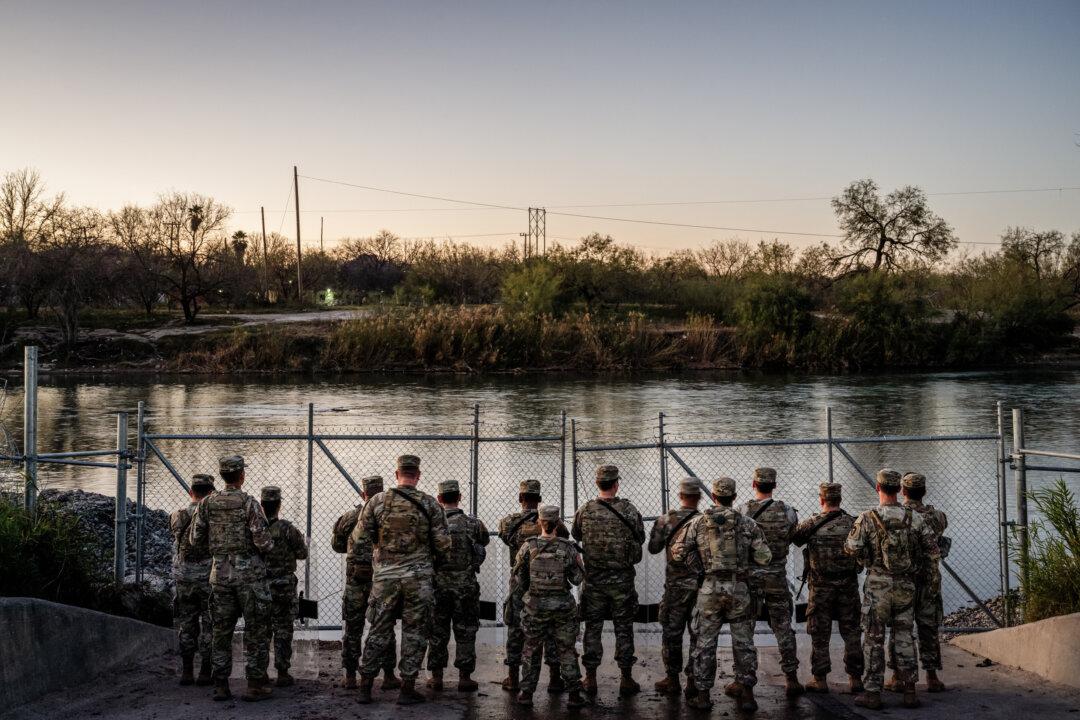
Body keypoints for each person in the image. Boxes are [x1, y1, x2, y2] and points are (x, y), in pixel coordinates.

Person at [353, 454, 452, 705]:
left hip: (385, 577)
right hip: (418, 579)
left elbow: (359, 539)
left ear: (397, 474)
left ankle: (365, 686)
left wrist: (369, 562)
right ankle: (407, 688)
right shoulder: (430, 505)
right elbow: (443, 545)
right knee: (415, 632)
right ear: (417, 475)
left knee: (378, 630)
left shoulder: (377, 501)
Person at [845, 468, 940, 711]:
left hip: (878, 585)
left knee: (874, 639)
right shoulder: (914, 518)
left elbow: (851, 548)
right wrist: (929, 578)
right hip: (906, 585)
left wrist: (868, 558)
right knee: (905, 636)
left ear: (878, 488)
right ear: (899, 489)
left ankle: (873, 693)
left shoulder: (867, 517)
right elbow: (932, 550)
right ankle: (909, 690)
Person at [674, 477, 771, 712]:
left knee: (705, 643)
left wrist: (698, 567)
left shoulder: (698, 523)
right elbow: (765, 557)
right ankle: (747, 695)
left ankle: (704, 695)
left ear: (714, 497)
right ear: (734, 497)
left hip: (709, 588)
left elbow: (677, 553)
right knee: (744, 643)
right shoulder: (747, 523)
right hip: (739, 589)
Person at [188, 455, 274, 702]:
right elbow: (264, 542)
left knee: (221, 630)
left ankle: (221, 685)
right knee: (256, 630)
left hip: (219, 575)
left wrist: (218, 551)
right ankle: (254, 684)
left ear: (223, 476)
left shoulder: (207, 504)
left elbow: (195, 539)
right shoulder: (249, 504)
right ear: (241, 476)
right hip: (249, 577)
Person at [572, 464, 645, 696]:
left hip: (594, 580)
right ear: (616, 484)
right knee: (624, 628)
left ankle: (590, 678)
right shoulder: (629, 510)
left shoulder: (585, 510)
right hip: (622, 581)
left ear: (597, 483)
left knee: (592, 627)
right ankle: (626, 679)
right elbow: (641, 537)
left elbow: (575, 534)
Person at [496, 478, 570, 693]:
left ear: (520, 498)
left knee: (516, 629)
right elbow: (563, 538)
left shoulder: (508, 523)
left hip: (520, 583)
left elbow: (505, 538)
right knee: (551, 629)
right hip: (548, 583)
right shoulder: (552, 523)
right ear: (539, 500)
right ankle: (555, 679)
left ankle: (513, 678)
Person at [511, 505, 589, 709]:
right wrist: (579, 562)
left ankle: (526, 693)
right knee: (566, 649)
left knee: (531, 649)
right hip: (562, 608)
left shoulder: (528, 546)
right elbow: (577, 579)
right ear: (558, 522)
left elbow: (520, 579)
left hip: (535, 607)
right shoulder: (567, 548)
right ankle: (573, 694)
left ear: (539, 522)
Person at [791, 482, 863, 694]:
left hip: (821, 588)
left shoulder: (811, 524)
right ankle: (856, 678)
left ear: (821, 499)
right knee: (851, 632)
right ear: (839, 499)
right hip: (848, 587)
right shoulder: (853, 523)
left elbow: (794, 537)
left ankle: (820, 679)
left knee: (819, 633)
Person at [737, 466, 803, 697]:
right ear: (774, 486)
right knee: (783, 626)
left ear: (754, 485)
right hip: (776, 576)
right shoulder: (787, 511)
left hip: (751, 577)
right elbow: (794, 537)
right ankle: (791, 678)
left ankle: (744, 683)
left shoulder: (743, 510)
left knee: (745, 630)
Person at [332, 475, 399, 690]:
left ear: (363, 494)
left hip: (355, 582)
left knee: (353, 629)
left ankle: (350, 676)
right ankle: (388, 675)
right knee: (384, 627)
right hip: (382, 581)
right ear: (383, 493)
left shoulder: (350, 517)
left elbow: (337, 545)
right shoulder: (391, 517)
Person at [885, 472, 949, 694]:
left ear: (903, 491)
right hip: (929, 579)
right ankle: (932, 677)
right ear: (924, 491)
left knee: (900, 628)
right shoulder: (938, 517)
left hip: (904, 579)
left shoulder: (900, 516)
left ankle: (897, 676)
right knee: (928, 627)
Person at [427, 479, 489, 692]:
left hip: (438, 586)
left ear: (439, 499)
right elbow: (484, 541)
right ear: (460, 497)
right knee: (465, 630)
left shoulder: (433, 524)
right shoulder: (473, 523)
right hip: (465, 586)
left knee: (438, 631)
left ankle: (436, 677)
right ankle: (464, 677)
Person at [647, 476, 703, 697]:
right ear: (698, 497)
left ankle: (672, 679)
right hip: (700, 587)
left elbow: (653, 548)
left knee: (672, 633)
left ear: (680, 496)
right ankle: (693, 680)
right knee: (698, 634)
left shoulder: (665, 520)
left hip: (675, 587)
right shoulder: (705, 521)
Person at [169, 473, 216, 687]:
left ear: (191, 492)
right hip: (208, 577)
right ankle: (206, 671)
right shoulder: (213, 518)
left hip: (184, 577)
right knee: (209, 624)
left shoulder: (177, 516)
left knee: (186, 624)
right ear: (212, 494)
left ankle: (187, 671)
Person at [260, 485, 308, 687]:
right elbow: (302, 553)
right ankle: (282, 672)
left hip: (262, 585)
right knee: (284, 628)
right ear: (279, 505)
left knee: (261, 630)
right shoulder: (288, 529)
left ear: (262, 505)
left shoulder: (255, 529)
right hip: (285, 586)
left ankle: (260, 672)